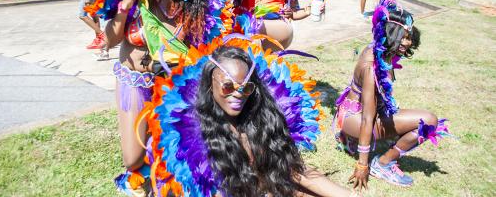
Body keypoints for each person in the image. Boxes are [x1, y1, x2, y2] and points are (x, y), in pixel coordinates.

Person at [91, 0, 221, 196]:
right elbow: (108, 41)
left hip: (168, 88)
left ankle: (160, 186)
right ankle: (142, 178)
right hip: (135, 82)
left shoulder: (189, 11)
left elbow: (199, 51)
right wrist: (124, 8)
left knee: (170, 151)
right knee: (133, 159)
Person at [146, 41, 358, 197]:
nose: (238, 94)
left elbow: (292, 170)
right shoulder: (193, 139)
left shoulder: (262, 120)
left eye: (245, 88)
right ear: (210, 87)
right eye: (227, 86)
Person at [333, 0, 450, 191]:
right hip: (355, 118)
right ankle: (383, 164)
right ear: (390, 33)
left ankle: (349, 139)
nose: (407, 43)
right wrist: (363, 164)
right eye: (403, 37)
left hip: (350, 114)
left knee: (407, 119)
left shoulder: (380, 51)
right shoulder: (372, 67)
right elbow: (367, 119)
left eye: (409, 37)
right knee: (429, 121)